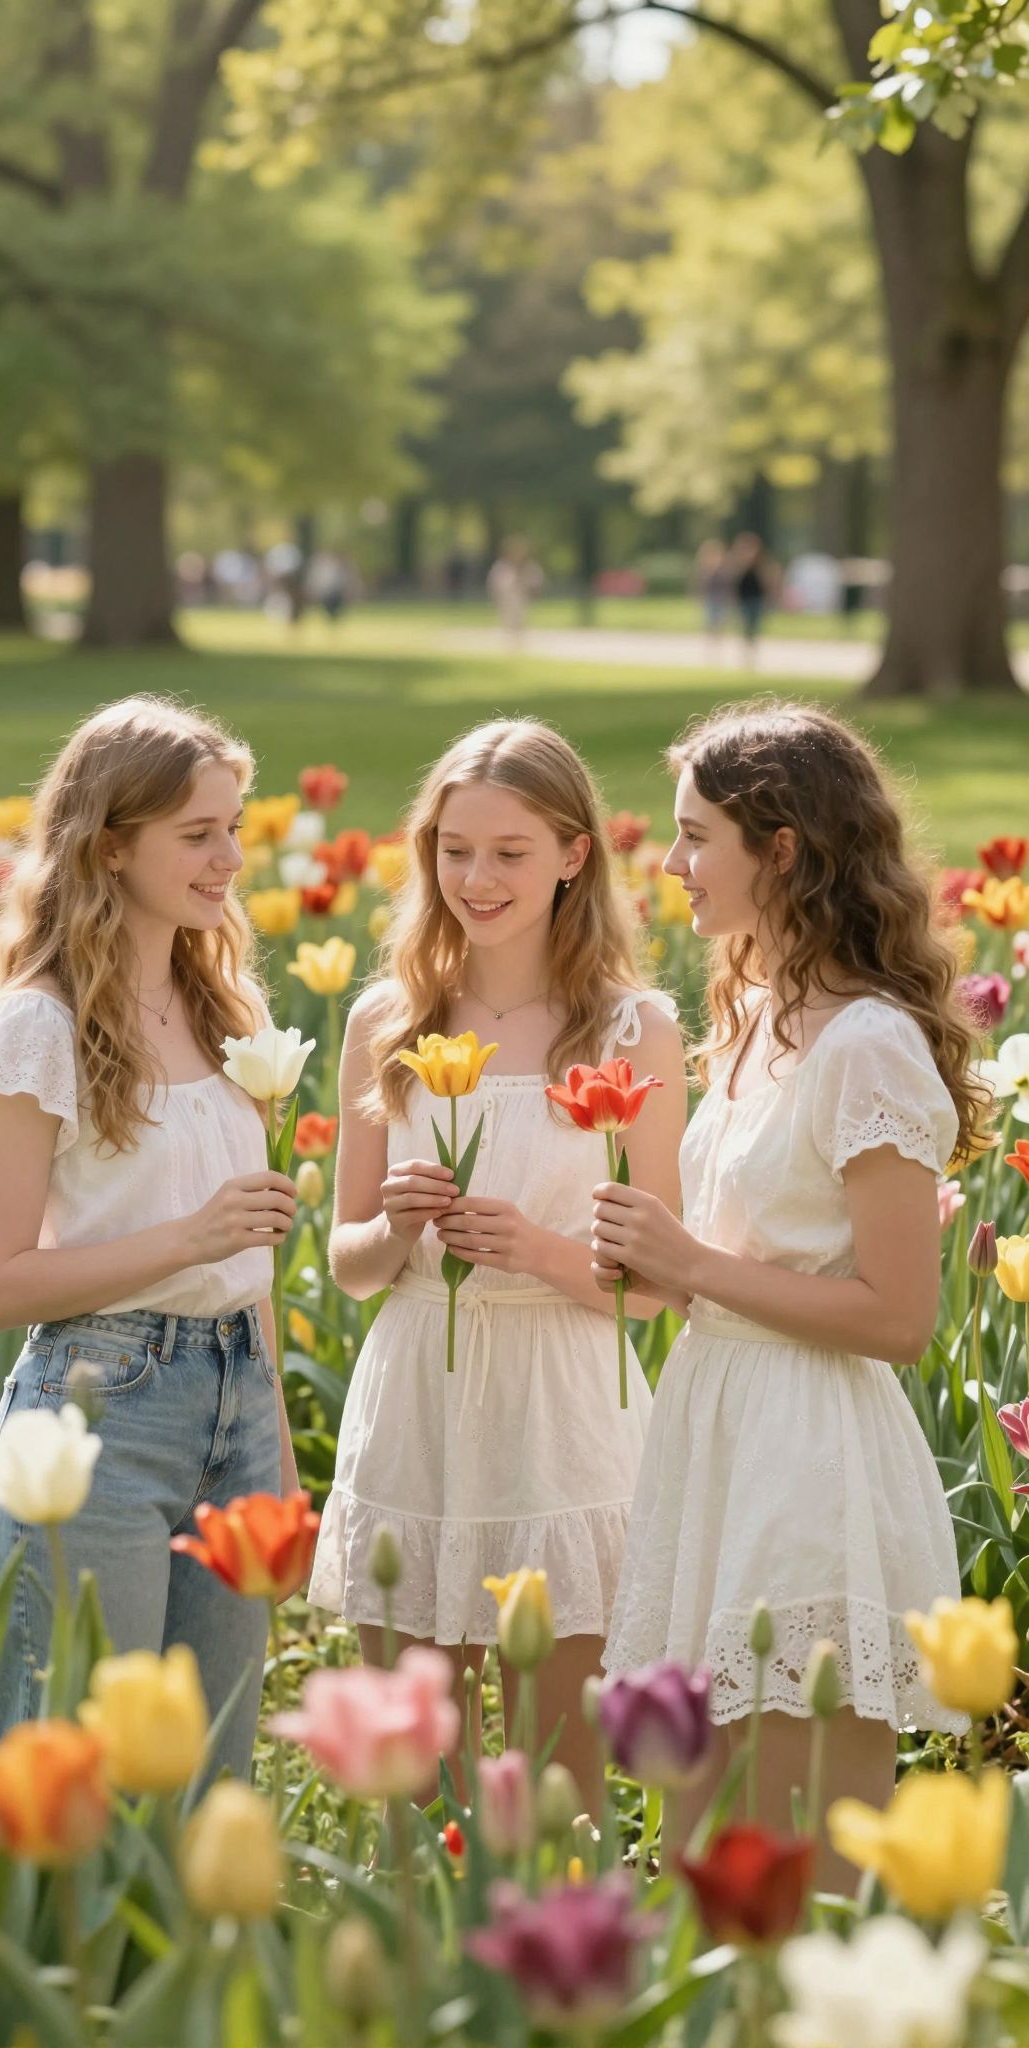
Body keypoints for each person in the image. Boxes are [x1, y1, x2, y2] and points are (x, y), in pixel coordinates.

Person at [592, 702, 986, 1888]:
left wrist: (694, 1262)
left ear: (785, 850)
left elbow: (897, 1316)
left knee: (793, 1864)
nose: (670, 865)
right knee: (701, 1854)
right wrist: (657, 1259)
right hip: (719, 1426)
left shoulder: (867, 1042)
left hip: (808, 1450)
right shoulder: (760, 1014)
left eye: (695, 835)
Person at [308, 719, 687, 1811]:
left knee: (560, 1774)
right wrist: (398, 1230)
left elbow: (659, 1282)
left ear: (575, 853)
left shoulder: (633, 1031)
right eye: (454, 847)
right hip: (419, 1393)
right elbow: (347, 1262)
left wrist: (542, 1251)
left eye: (510, 852)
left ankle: (560, 1963)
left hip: (564, 1408)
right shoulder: (388, 1018)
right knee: (412, 1771)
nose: (476, 878)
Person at [0, 696, 301, 1779]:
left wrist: (273, 1438)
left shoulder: (222, 1004)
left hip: (234, 1405)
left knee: (210, 1766)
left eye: (234, 827)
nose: (229, 856)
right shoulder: (36, 1026)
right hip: (103, 1411)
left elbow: (254, 1256)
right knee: (81, 1778)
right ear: (109, 844)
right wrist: (189, 1236)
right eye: (198, 833)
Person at [486, 537, 544, 643]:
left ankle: (517, 641)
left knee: (520, 620)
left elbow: (535, 583)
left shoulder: (529, 567)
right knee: (508, 620)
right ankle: (510, 641)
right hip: (507, 598)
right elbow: (495, 583)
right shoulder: (502, 566)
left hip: (522, 597)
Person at [730, 533, 778, 660]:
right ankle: (747, 648)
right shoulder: (738, 564)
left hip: (756, 599)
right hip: (744, 600)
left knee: (754, 625)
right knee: (746, 625)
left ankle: (751, 648)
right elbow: (734, 582)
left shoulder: (761, 564)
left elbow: (768, 582)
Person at [693, 539, 731, 641]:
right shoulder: (705, 570)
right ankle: (712, 637)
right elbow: (701, 585)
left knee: (719, 619)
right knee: (710, 619)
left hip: (721, 599)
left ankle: (717, 636)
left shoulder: (723, 569)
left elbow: (727, 585)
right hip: (710, 598)